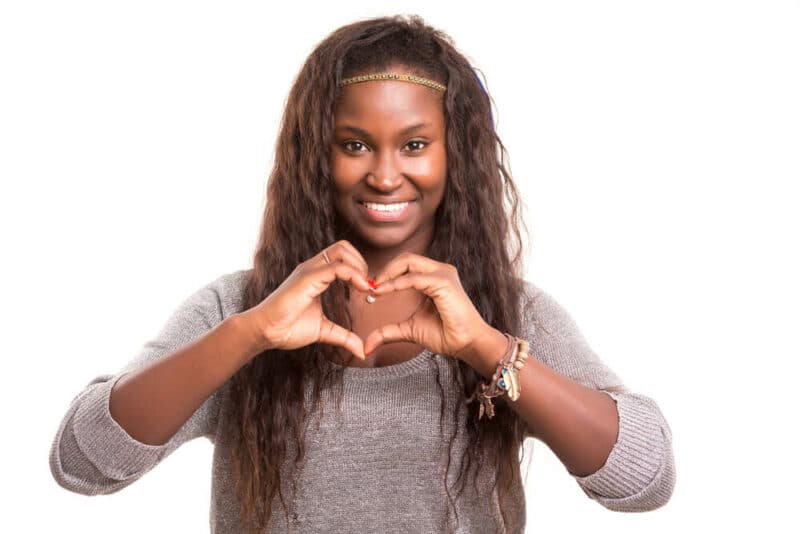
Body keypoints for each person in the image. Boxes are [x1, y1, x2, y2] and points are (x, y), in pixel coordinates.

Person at [48, 14, 676, 534]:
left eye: (413, 145)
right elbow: (82, 463)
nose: (383, 174)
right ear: (315, 153)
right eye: (354, 145)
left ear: (454, 152)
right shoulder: (235, 309)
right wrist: (251, 335)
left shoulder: (510, 315)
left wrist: (486, 349)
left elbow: (645, 480)